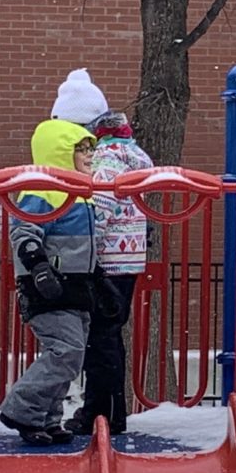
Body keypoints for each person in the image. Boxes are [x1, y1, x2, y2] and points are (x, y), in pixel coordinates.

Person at [51, 71, 155, 435]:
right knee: (106, 334)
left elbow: (100, 208)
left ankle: (102, 414)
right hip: (125, 258)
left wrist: (79, 245)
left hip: (107, 259)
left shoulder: (106, 157)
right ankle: (108, 411)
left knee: (100, 338)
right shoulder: (128, 151)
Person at [0, 115, 98, 446]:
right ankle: (22, 410)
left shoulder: (82, 194)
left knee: (72, 356)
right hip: (47, 285)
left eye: (91, 149)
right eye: (81, 149)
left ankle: (47, 417)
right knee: (65, 351)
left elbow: (84, 246)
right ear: (60, 151)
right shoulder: (43, 190)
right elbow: (24, 231)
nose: (89, 155)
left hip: (77, 286)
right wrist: (39, 267)